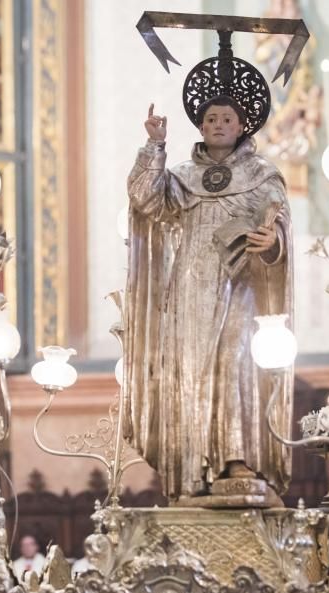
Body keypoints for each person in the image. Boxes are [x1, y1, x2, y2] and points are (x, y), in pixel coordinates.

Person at [125, 96, 293, 504]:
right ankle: (192, 464)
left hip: (241, 286)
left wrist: (273, 241)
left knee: (235, 364)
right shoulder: (181, 176)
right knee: (189, 371)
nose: (218, 124)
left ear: (241, 126)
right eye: (211, 118)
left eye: (227, 119)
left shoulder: (262, 175)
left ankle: (237, 459)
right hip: (187, 288)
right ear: (201, 127)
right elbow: (145, 200)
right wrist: (155, 146)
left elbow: (280, 228)